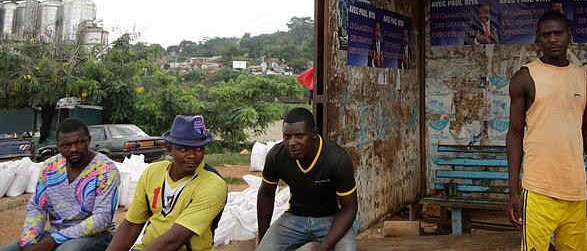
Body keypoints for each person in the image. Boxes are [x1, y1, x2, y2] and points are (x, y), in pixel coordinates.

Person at [506, 11, 587, 250]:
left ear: (569, 36)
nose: (552, 39)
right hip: (538, 188)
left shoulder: (582, 79)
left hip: (575, 190)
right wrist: (513, 191)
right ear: (538, 40)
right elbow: (514, 134)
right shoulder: (525, 77)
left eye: (558, 33)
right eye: (546, 35)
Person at [106, 115, 227, 251]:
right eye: (183, 149)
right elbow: (132, 225)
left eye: (199, 149)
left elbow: (174, 240)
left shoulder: (212, 184)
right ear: (169, 148)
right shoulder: (152, 172)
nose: (192, 155)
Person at [0, 119, 119, 251]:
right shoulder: (50, 167)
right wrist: (29, 241)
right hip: (57, 232)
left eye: (79, 143)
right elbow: (37, 207)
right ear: (58, 145)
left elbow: (102, 218)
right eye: (66, 145)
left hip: (97, 235)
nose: (73, 149)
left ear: (89, 140)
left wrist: (55, 239)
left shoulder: (105, 169)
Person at [257, 108, 358, 251]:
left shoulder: (337, 159)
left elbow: (349, 207)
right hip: (294, 218)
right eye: (287, 136)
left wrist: (325, 246)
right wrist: (263, 239)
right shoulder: (277, 156)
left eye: (299, 136)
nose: (291, 142)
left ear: (314, 134)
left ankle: (315, 246)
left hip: (330, 220)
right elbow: (266, 193)